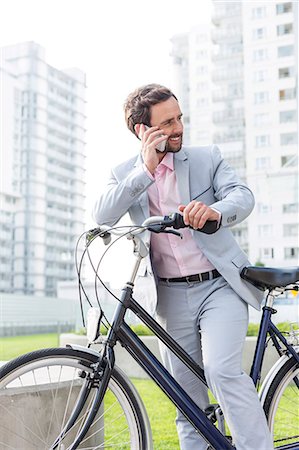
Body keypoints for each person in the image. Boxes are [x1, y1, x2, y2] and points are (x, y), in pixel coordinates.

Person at [93, 84, 273, 450]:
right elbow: (103, 214)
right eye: (168, 122)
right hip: (169, 296)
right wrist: (146, 168)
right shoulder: (125, 173)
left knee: (222, 371)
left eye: (179, 118)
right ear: (143, 130)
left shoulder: (206, 157)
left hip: (219, 286)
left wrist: (214, 211)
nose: (178, 128)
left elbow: (242, 195)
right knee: (187, 401)